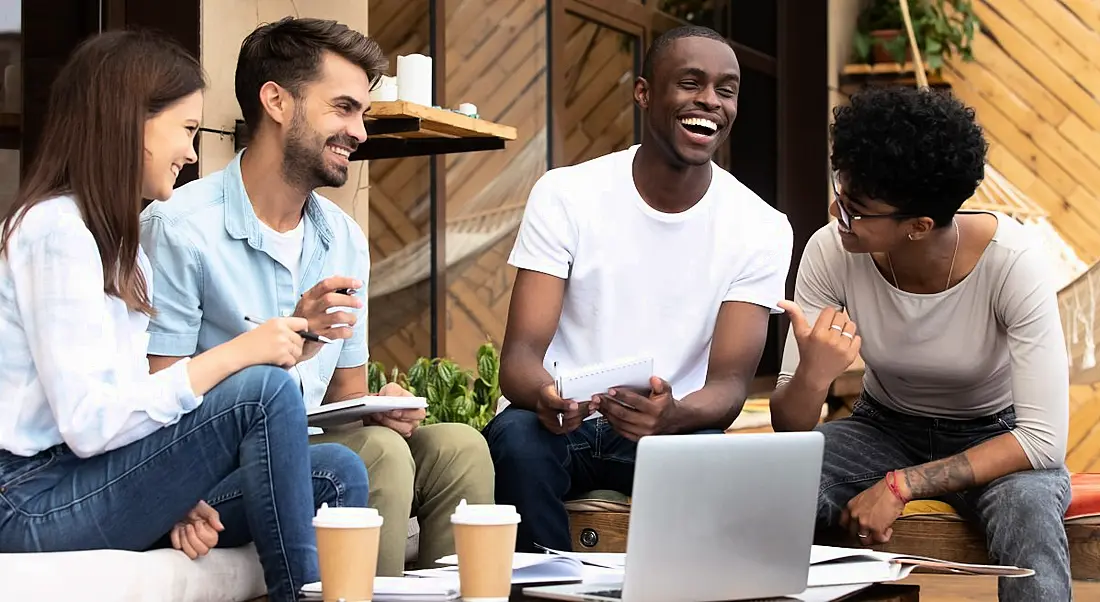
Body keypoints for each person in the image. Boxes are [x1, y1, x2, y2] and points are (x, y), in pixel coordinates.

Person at [0, 30, 370, 602]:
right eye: (186, 129)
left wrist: (172, 489)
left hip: (85, 478)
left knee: (338, 473)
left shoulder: (119, 246)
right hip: (28, 500)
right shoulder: (54, 231)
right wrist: (238, 353)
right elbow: (88, 422)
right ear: (130, 123)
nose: (192, 153)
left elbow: (120, 412)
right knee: (264, 390)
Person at [139, 17, 493, 576]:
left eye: (362, 114)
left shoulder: (343, 237)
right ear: (277, 101)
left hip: (313, 448)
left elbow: (344, 400)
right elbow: (161, 404)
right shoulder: (180, 228)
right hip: (213, 470)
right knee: (375, 457)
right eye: (344, 108)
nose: (360, 131)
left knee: (457, 448)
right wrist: (290, 334)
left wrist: (380, 409)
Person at [483, 24, 794, 552]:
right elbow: (519, 357)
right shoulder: (566, 195)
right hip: (559, 422)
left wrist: (673, 415)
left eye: (726, 89)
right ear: (644, 92)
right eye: (691, 83)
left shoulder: (762, 226)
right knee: (516, 443)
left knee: (712, 461)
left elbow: (730, 386)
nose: (710, 102)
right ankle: (545, 586)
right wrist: (547, 396)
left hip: (669, 429)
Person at [772, 86, 1070, 601]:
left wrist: (901, 486)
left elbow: (1042, 442)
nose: (835, 213)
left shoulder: (1014, 263)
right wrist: (813, 375)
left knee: (1029, 514)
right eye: (840, 194)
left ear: (919, 226)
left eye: (855, 210)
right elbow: (788, 427)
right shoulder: (830, 249)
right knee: (779, 482)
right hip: (883, 427)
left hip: (997, 437)